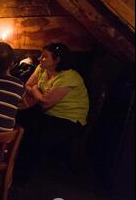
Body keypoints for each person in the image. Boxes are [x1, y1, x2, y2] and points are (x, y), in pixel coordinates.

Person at [17, 43, 89, 175]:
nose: (39, 59)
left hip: (69, 120)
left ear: (57, 60)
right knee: (21, 118)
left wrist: (35, 89)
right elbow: (27, 85)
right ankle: (18, 161)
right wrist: (36, 91)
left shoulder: (69, 77)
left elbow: (45, 103)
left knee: (35, 133)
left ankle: (25, 171)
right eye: (40, 55)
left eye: (44, 57)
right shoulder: (42, 68)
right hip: (48, 113)